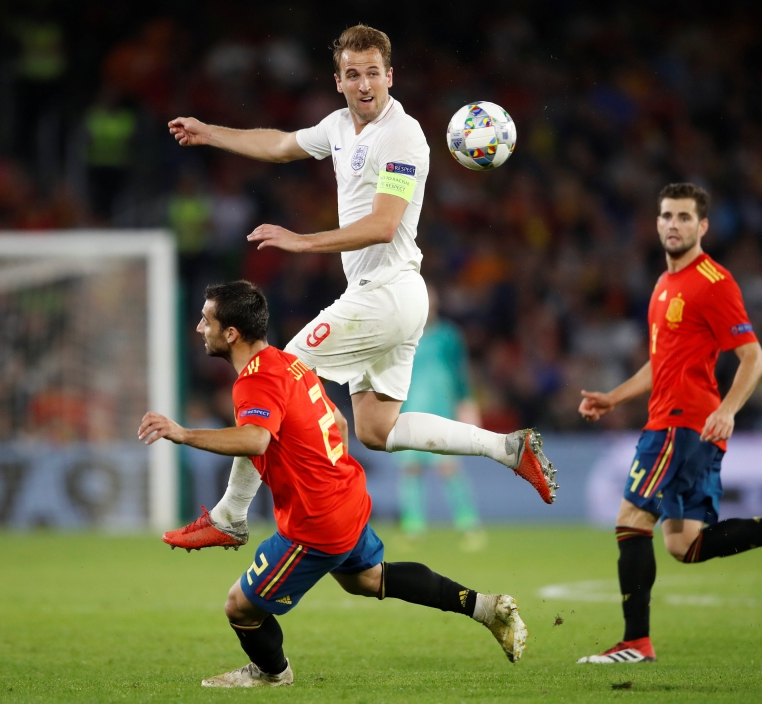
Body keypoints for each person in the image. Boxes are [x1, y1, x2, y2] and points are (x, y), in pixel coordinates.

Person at [164, 24, 556, 551]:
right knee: (376, 428)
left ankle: (231, 514)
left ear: (390, 76)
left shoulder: (403, 136)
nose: (365, 83)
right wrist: (211, 132)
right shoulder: (339, 127)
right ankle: (510, 448)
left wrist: (302, 242)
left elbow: (384, 224)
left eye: (374, 73)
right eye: (354, 74)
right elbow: (281, 145)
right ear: (339, 81)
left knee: (272, 374)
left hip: (387, 292)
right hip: (393, 299)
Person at [138, 281, 528, 686]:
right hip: (346, 497)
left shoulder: (254, 380)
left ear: (231, 333)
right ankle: (486, 607)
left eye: (206, 321)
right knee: (367, 579)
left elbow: (255, 438)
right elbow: (338, 424)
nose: (200, 328)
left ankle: (272, 673)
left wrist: (182, 434)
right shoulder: (288, 363)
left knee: (239, 607)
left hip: (315, 523)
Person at [575, 183, 762, 665]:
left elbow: (753, 358)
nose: (673, 225)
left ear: (702, 226)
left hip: (681, 424)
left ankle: (635, 642)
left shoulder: (713, 281)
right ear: (657, 223)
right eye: (666, 216)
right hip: (683, 425)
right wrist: (614, 398)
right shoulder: (663, 285)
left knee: (630, 521)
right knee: (686, 544)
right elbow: (661, 361)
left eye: (684, 217)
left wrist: (728, 410)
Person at [395, 283, 485, 550]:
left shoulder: (448, 336)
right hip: (409, 409)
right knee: (411, 469)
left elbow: (460, 374)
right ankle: (413, 528)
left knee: (449, 467)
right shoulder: (402, 336)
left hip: (441, 409)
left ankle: (468, 525)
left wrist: (467, 404)